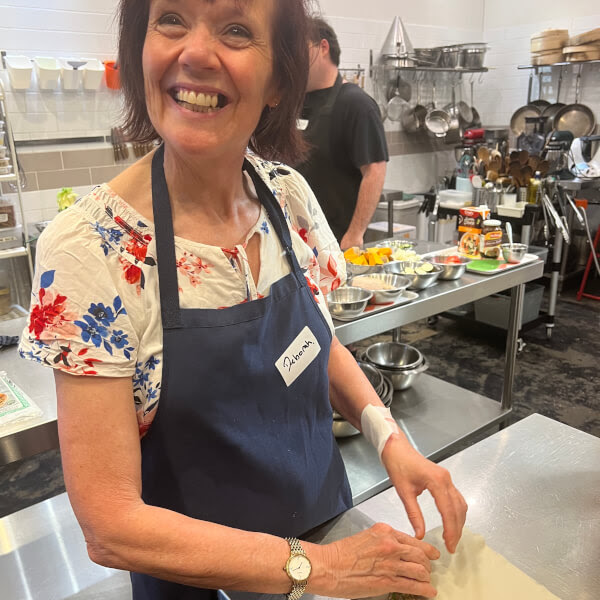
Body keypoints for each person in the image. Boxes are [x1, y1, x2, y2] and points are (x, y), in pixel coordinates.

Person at [18, 1, 466, 599]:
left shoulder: (287, 198)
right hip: (206, 583)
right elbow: (110, 524)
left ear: (280, 79)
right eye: (171, 19)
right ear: (140, 50)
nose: (197, 53)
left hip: (327, 532)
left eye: (235, 29)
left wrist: (389, 438)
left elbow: (315, 343)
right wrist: (320, 569)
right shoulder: (90, 251)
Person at [296, 17, 389, 250]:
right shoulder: (291, 103)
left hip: (334, 242)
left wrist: (355, 234)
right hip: (292, 241)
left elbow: (375, 170)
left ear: (323, 47)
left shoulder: (356, 105)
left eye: (298, 48)